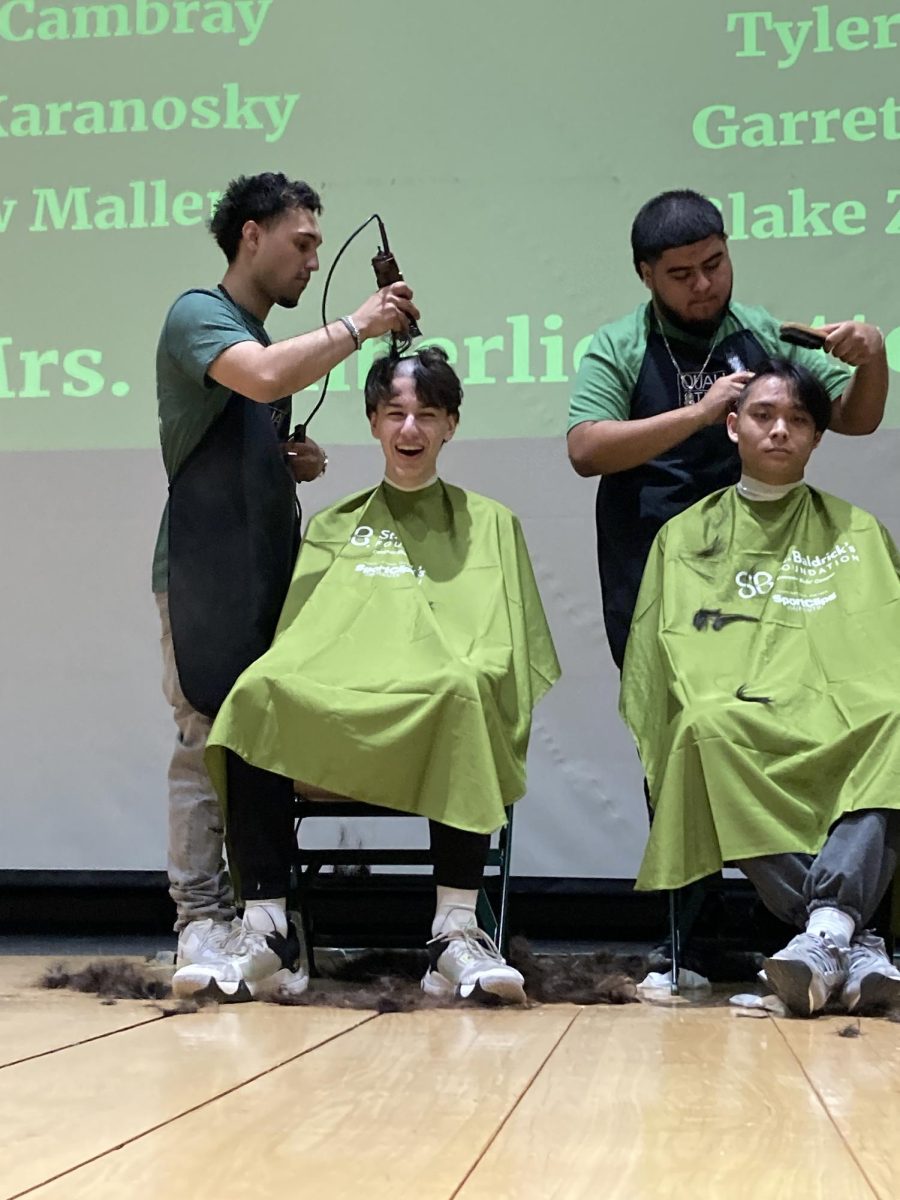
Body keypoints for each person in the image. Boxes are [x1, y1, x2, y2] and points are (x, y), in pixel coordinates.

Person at [171, 346, 561, 1004]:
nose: (410, 430)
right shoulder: (335, 525)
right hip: (345, 698)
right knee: (257, 694)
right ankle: (267, 929)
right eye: (396, 414)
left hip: (437, 704)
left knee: (466, 691)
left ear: (451, 425)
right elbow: (302, 641)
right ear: (374, 422)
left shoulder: (492, 525)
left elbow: (505, 648)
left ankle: (454, 933)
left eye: (427, 415)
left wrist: (455, 669)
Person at [154, 172, 419, 984]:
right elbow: (264, 376)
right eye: (301, 244)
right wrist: (362, 322)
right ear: (251, 237)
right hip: (201, 571)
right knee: (206, 741)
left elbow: (258, 403)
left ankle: (263, 921)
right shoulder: (200, 315)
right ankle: (199, 919)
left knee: (261, 740)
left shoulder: (261, 333)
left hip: (267, 569)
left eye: (316, 246)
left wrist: (286, 462)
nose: (312, 261)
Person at [620, 359, 900, 1017]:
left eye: (798, 420)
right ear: (732, 426)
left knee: (894, 713)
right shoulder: (686, 536)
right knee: (702, 727)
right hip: (739, 706)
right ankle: (846, 932)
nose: (780, 431)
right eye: (764, 416)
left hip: (840, 704)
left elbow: (882, 642)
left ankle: (825, 933)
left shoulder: (857, 531)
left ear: (817, 439)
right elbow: (672, 656)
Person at [567, 188, 888, 670]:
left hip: (758, 561)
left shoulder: (763, 334)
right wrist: (699, 413)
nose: (703, 284)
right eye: (681, 274)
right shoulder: (618, 346)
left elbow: (854, 419)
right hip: (652, 563)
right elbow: (586, 450)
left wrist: (873, 357)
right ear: (645, 274)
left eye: (714, 264)